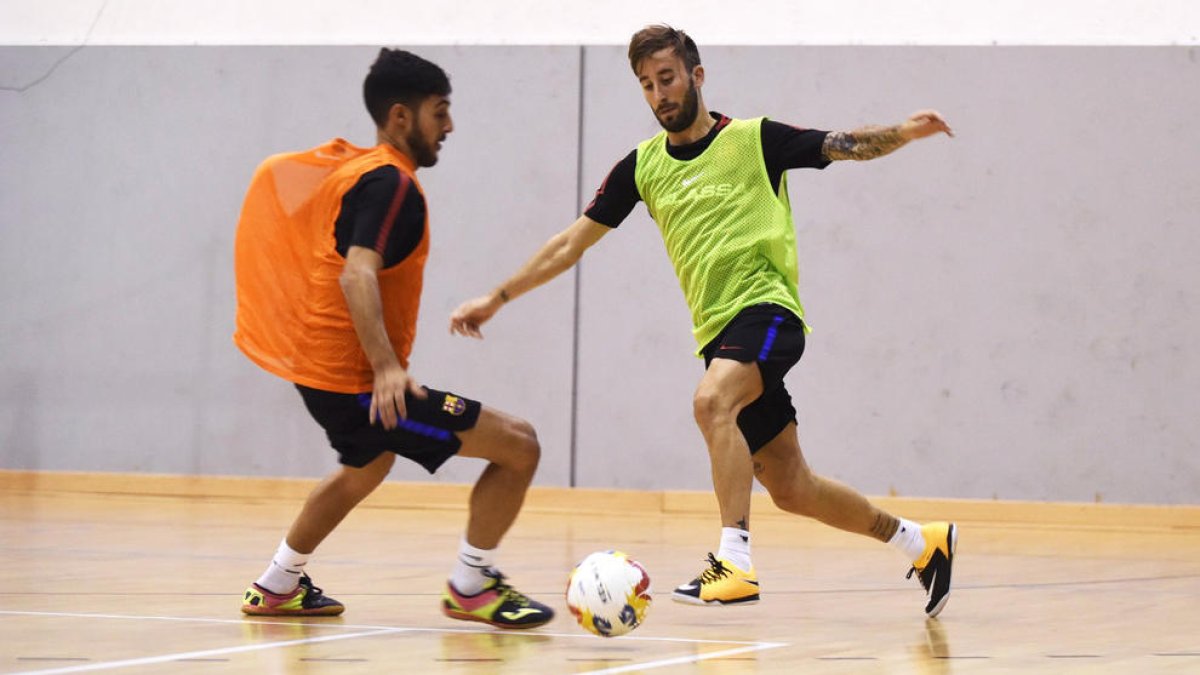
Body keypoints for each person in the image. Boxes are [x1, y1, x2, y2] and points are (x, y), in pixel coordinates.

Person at [449, 25, 958, 618]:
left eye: (667, 78)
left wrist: (902, 132)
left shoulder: (753, 140)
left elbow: (840, 144)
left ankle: (734, 564)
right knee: (793, 487)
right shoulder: (640, 168)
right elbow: (569, 244)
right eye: (646, 85)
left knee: (711, 402)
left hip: (767, 311)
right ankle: (922, 544)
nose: (659, 93)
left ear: (696, 75)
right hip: (718, 334)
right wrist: (496, 298)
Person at [232, 48, 553, 629]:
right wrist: (385, 368)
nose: (449, 126)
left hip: (322, 374)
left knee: (366, 465)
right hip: (355, 382)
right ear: (401, 117)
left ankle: (278, 585)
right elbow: (356, 271)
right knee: (520, 444)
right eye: (440, 112)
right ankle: (472, 586)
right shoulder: (390, 185)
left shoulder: (364, 173)